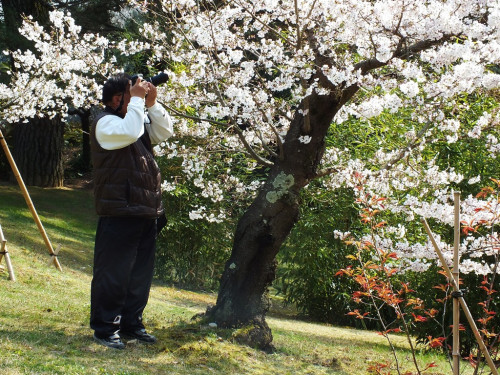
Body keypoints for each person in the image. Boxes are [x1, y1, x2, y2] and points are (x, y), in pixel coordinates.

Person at [89, 73, 173, 349]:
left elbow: (164, 131)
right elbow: (129, 132)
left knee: (139, 275)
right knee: (113, 273)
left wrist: (151, 103)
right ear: (117, 99)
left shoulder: (135, 119)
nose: (138, 94)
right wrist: (137, 102)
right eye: (132, 92)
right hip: (119, 211)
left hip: (146, 211)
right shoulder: (106, 123)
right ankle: (105, 328)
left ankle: (131, 324)